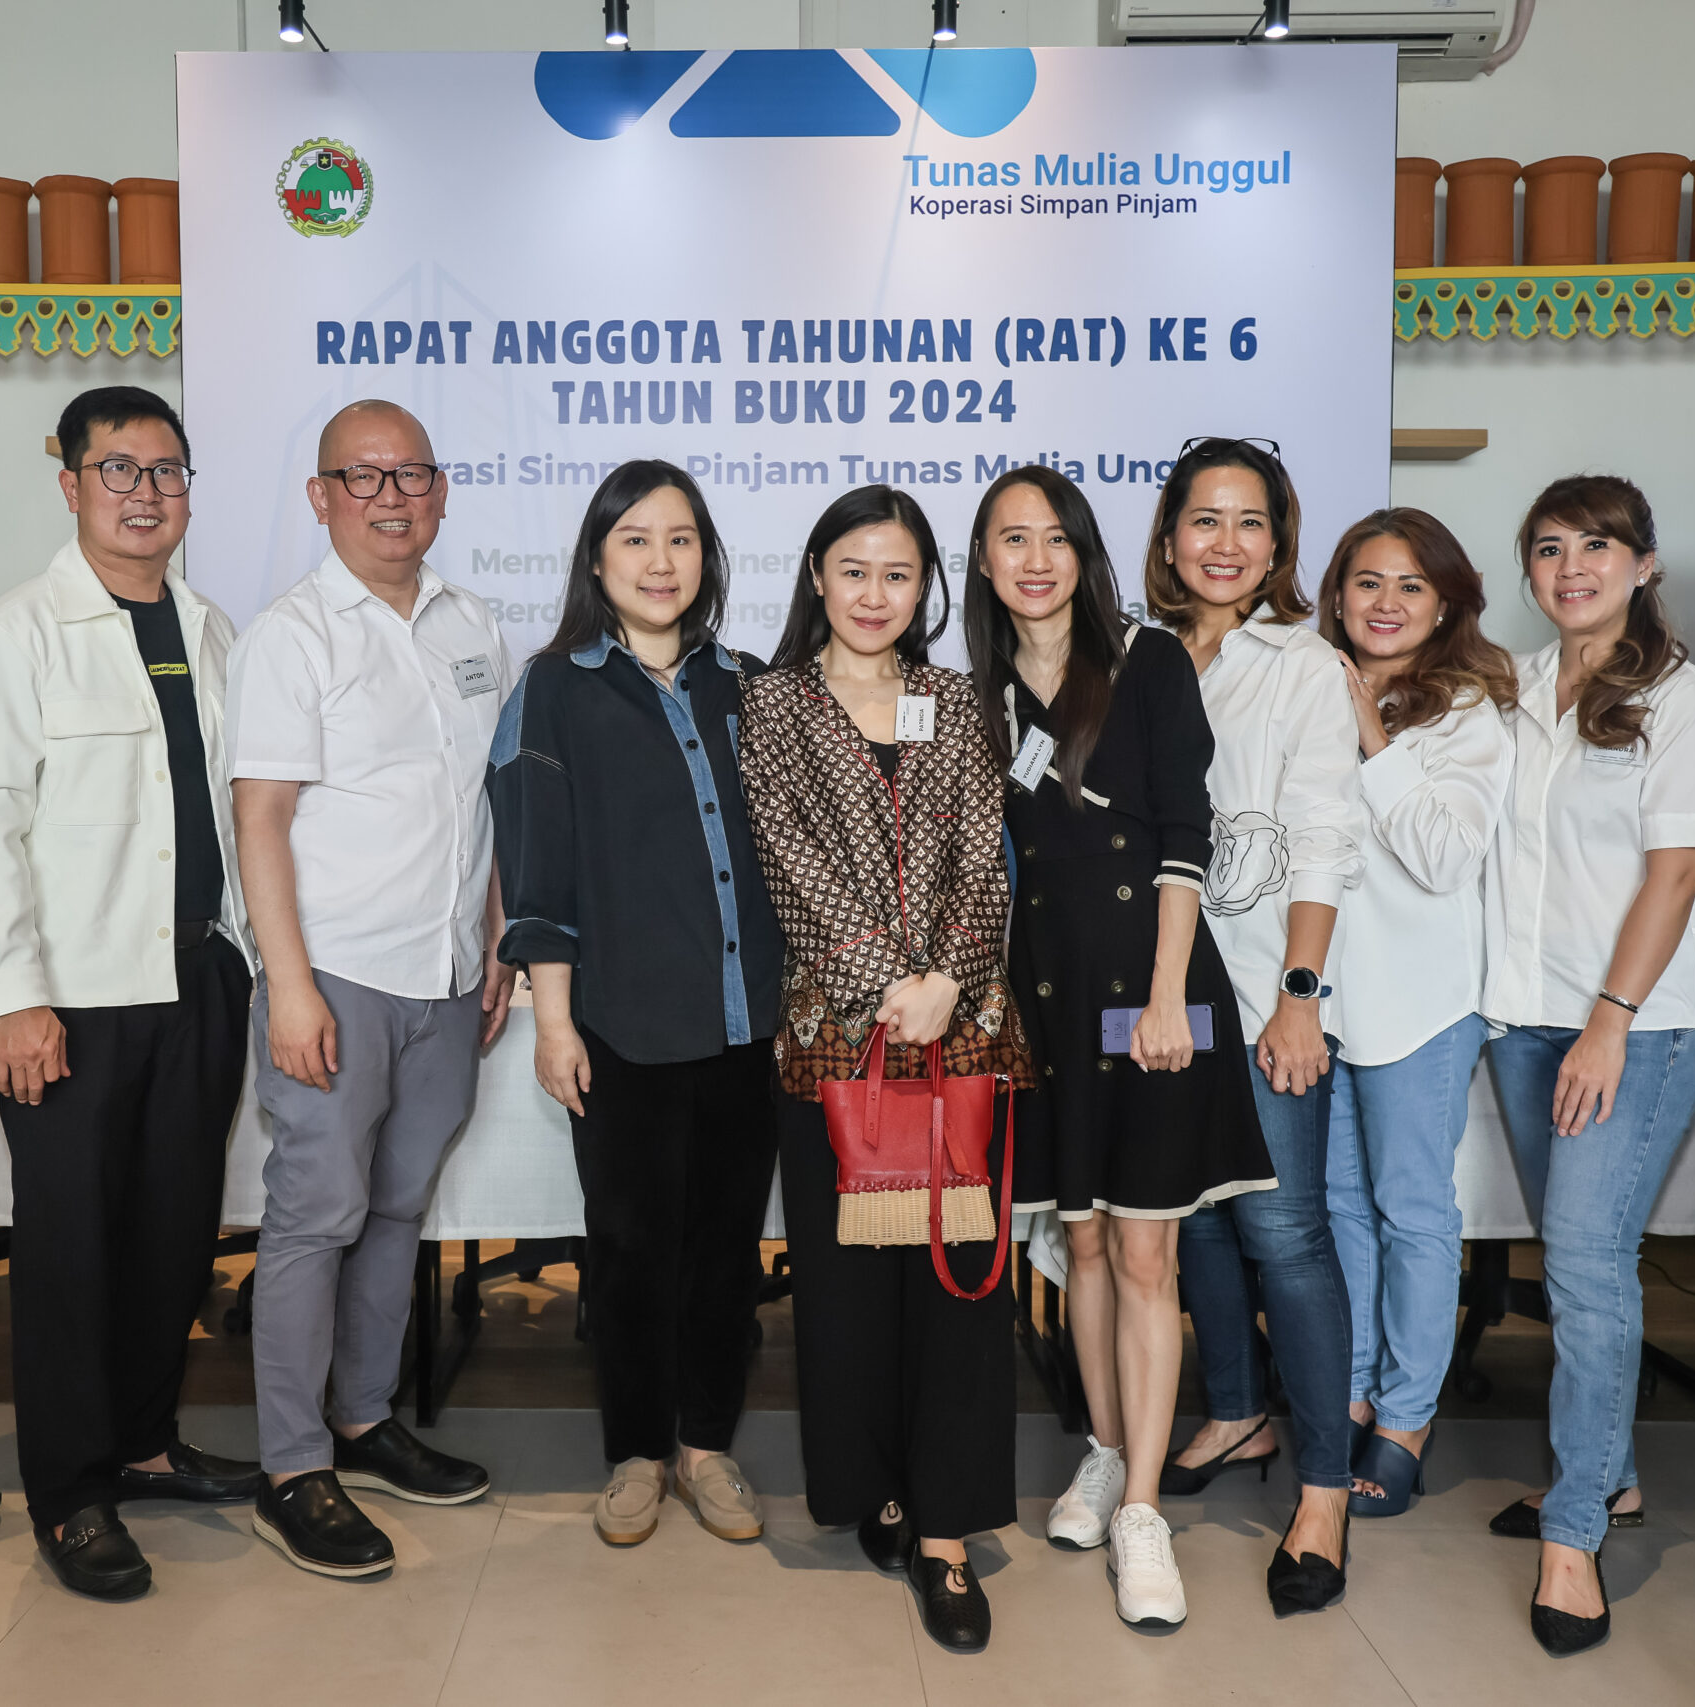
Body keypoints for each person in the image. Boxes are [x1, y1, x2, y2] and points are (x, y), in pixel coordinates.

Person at [0, 385, 262, 1602]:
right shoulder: (16, 632)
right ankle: (72, 1493)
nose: (145, 492)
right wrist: (13, 994)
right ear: (69, 483)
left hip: (199, 976)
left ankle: (143, 1441)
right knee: (73, 1248)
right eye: (118, 468)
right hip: (71, 995)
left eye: (167, 471)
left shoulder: (211, 629)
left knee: (174, 1232)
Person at [963, 466, 1274, 1633]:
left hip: (1154, 1000)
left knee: (1147, 1253)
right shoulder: (979, 693)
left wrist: (1163, 996)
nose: (1035, 560)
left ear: (1085, 555)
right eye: (1012, 540)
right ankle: (1104, 1448)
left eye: (1056, 539)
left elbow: (1184, 834)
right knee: (1081, 1241)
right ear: (984, 561)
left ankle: (1142, 1509)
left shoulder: (1146, 664)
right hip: (1045, 1004)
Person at [739, 485, 1031, 1655]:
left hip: (959, 1032)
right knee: (850, 1288)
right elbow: (787, 859)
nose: (874, 594)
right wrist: (884, 986)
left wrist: (945, 980)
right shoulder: (772, 705)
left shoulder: (955, 701)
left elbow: (984, 859)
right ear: (817, 575)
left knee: (958, 1290)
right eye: (853, 570)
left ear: (927, 588)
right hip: (834, 1037)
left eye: (897, 574)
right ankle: (879, 1491)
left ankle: (946, 1530)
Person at [229, 399, 516, 1579]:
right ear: (321, 496)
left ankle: (362, 1420)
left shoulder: (472, 623)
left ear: (440, 493)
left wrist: (493, 940)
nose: (391, 497)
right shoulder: (291, 636)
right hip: (336, 976)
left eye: (412, 476)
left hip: (447, 975)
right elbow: (260, 819)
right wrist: (289, 985)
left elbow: (480, 802)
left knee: (397, 1209)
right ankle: (292, 1467)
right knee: (316, 1216)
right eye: (364, 476)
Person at [1482, 475, 1695, 1656]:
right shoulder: (1517, 689)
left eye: (1596, 545)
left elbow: (1676, 871)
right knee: (1574, 1259)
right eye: (1549, 548)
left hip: (1634, 1025)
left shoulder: (1682, 702)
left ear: (1643, 564)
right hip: (1525, 1017)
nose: (1571, 567)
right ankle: (1616, 1475)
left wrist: (1608, 1019)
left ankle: (1575, 1530)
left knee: (1588, 1266)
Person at [487, 461, 784, 1547]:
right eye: (637, 540)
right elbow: (539, 871)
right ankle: (637, 1453)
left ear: (706, 557)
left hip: (749, 1021)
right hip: (622, 1026)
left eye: (681, 539)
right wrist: (555, 1022)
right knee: (627, 1249)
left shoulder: (748, 683)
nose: (662, 562)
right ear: (597, 558)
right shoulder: (555, 688)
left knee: (725, 1250)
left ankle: (706, 1445)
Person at [1144, 437, 1364, 1616]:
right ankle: (1235, 1412)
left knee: (1284, 1235)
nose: (1224, 544)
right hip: (1159, 996)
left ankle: (1323, 1490)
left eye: (1249, 523)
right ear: (1169, 536)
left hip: (1265, 994)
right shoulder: (1137, 655)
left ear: (1278, 544)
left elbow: (1323, 837)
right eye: (1204, 520)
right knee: (1191, 1224)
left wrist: (1299, 995)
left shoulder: (1303, 665)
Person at [1313, 509, 1517, 1519]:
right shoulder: (1310, 688)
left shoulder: (1470, 712)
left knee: (1413, 1213)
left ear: (1445, 604)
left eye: (1409, 586)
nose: (1385, 603)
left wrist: (1371, 734)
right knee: (1340, 1210)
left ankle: (1405, 1421)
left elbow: (1442, 858)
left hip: (1423, 1002)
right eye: (1367, 582)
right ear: (1337, 595)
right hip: (1326, 1000)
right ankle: (1350, 1394)